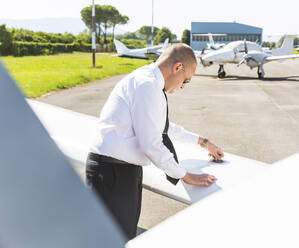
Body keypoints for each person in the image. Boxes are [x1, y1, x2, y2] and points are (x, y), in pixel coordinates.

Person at [86, 43, 224, 240]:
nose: (183, 87)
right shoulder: (147, 85)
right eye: (186, 80)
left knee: (121, 237)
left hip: (120, 171)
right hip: (112, 174)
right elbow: (151, 143)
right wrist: (185, 176)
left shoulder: (149, 81)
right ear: (177, 68)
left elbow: (162, 127)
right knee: (110, 240)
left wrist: (204, 142)